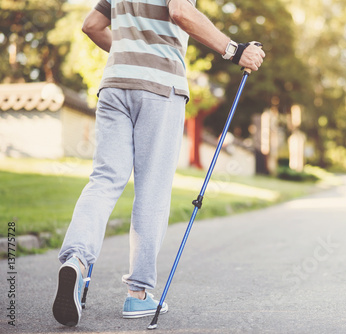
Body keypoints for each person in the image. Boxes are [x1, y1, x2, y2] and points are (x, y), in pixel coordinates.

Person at [52, 0, 265, 327]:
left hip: (115, 84)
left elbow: (91, 25)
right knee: (152, 189)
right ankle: (137, 296)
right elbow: (180, 10)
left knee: (104, 181)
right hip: (160, 87)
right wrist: (234, 50)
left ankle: (76, 261)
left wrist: (128, 53)